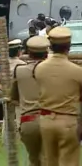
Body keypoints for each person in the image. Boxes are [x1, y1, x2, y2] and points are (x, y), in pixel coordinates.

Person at [34, 26, 82, 165]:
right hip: (68, 121)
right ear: (69, 46)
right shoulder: (77, 71)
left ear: (50, 46)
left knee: (49, 161)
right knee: (69, 161)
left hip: (46, 120)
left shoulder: (40, 69)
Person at [11, 36, 50, 166]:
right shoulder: (53, 71)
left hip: (28, 121)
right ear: (46, 52)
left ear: (29, 53)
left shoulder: (19, 70)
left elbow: (14, 97)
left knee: (33, 159)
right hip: (49, 119)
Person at [0, 39, 26, 141]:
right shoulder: (22, 64)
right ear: (19, 51)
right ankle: (21, 139)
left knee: (7, 119)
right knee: (20, 118)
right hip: (19, 95)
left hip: (7, 95)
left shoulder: (4, 64)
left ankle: (5, 140)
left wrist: (5, 90)